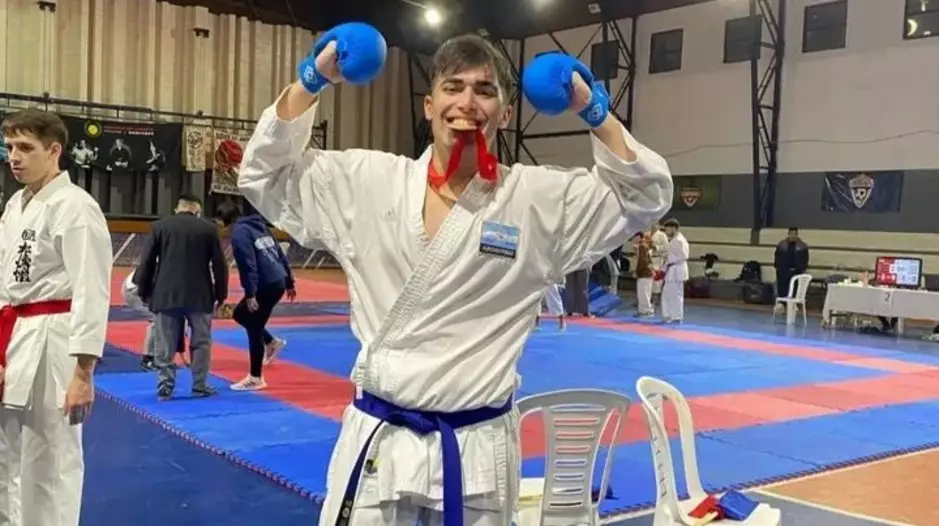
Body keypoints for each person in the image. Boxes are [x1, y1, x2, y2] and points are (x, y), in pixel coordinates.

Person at [239, 25, 672, 526]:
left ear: (505, 114)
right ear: (429, 106)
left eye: (485, 90)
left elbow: (645, 196)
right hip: (380, 441)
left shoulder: (537, 201)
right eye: (453, 87)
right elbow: (264, 175)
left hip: (478, 448)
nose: (467, 102)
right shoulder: (368, 183)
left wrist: (592, 108)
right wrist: (312, 79)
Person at [0, 109, 112, 526]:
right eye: (9, 147)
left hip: (55, 340)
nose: (14, 157)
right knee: (8, 454)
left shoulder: (75, 206)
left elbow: (91, 289)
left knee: (50, 458)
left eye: (25, 148)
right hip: (14, 335)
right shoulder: (16, 204)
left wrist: (83, 373)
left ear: (54, 151)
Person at [134, 195, 228, 400]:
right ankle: (200, 384)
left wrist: (143, 290)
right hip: (200, 294)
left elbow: (147, 261)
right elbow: (220, 265)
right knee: (201, 341)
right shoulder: (209, 229)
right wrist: (221, 294)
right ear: (197, 211)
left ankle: (165, 386)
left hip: (167, 293)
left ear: (177, 208)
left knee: (165, 342)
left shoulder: (160, 227)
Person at [217, 201, 293, 390]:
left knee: (253, 325)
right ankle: (271, 342)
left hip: (265, 284)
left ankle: (256, 377)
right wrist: (289, 281)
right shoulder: (260, 227)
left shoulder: (240, 234)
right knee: (240, 315)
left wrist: (250, 294)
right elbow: (279, 254)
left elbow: (247, 265)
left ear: (223, 221)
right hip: (277, 281)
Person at [121, 268, 189, 371]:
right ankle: (148, 359)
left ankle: (161, 357)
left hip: (144, 285)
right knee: (158, 318)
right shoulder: (175, 275)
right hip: (135, 289)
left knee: (166, 317)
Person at [660, 218, 689, 323]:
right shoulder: (675, 240)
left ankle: (676, 317)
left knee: (675, 294)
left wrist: (668, 258)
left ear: (673, 228)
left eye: (667, 229)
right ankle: (669, 315)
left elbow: (683, 256)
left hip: (676, 269)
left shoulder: (679, 240)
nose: (666, 232)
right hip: (673, 269)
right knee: (667, 294)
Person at [773, 227, 809, 301]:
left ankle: (793, 303)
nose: (793, 236)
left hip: (796, 271)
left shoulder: (802, 246)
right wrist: (778, 267)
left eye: (794, 234)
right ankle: (782, 303)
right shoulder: (781, 245)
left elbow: (805, 258)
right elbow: (777, 256)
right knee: (782, 288)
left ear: (797, 235)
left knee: (795, 288)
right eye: (791, 234)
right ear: (788, 234)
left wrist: (802, 268)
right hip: (783, 271)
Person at [633, 232, 655, 317]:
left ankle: (647, 310)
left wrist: (637, 272)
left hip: (644, 273)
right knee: (645, 293)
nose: (634, 239)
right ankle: (643, 310)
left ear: (639, 237)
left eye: (635, 237)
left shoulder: (642, 246)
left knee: (643, 293)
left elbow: (642, 261)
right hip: (647, 272)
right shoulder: (644, 245)